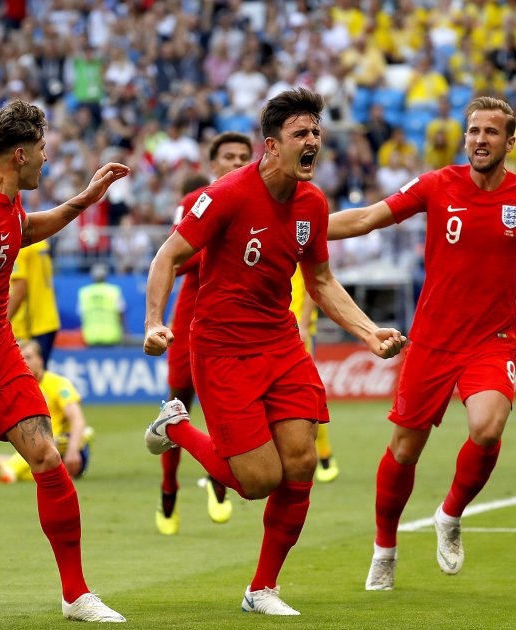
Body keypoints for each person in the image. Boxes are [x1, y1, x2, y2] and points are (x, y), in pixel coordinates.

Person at [142, 88, 405, 615]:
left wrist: (367, 331)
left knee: (302, 462)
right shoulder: (226, 195)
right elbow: (166, 256)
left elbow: (321, 280)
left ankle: (262, 588)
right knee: (259, 481)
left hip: (281, 344)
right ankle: (176, 427)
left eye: (316, 132)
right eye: (300, 133)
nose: (312, 141)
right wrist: (154, 322)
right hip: (222, 349)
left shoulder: (312, 203)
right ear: (271, 146)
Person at [327, 96, 516, 592]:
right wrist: (298, 229)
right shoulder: (437, 184)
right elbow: (367, 218)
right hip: (431, 341)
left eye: (491, 132)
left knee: (488, 428)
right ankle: (384, 549)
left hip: (491, 340)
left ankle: (449, 514)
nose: (480, 140)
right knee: (404, 451)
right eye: (474, 131)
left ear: (510, 142)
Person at [0, 100, 129, 623]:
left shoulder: (10, 203)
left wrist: (83, 200)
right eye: (41, 149)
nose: (45, 158)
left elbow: (26, 230)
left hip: (0, 352)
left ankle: (76, 594)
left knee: (47, 458)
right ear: (19, 155)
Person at [156, 131, 253, 536]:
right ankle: (169, 489)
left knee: (226, 408)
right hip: (191, 320)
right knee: (177, 402)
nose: (236, 163)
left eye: (243, 157)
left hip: (238, 323)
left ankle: (218, 482)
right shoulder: (194, 203)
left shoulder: (261, 203)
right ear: (213, 165)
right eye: (228, 157)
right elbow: (175, 258)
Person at [0, 339, 94, 482]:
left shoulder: (58, 384)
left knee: (40, 442)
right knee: (37, 458)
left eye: (28, 357)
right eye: (20, 358)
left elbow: (77, 419)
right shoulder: (22, 387)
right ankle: (2, 467)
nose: (24, 362)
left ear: (40, 360)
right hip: (42, 448)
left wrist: (73, 450)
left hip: (67, 450)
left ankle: (10, 468)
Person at [290, 264, 339, 483]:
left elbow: (313, 282)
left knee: (307, 393)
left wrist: (304, 322)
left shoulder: (300, 243)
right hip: (269, 328)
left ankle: (325, 454)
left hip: (296, 329)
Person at [8, 238, 60, 366]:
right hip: (48, 320)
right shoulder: (40, 242)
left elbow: (19, 290)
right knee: (39, 373)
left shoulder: (19, 247)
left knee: (26, 374)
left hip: (29, 326)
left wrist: (2, 322)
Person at [77, 262, 126, 346]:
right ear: (106, 276)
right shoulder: (113, 291)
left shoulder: (84, 293)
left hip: (90, 337)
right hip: (112, 336)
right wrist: (124, 331)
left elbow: (81, 314)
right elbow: (121, 313)